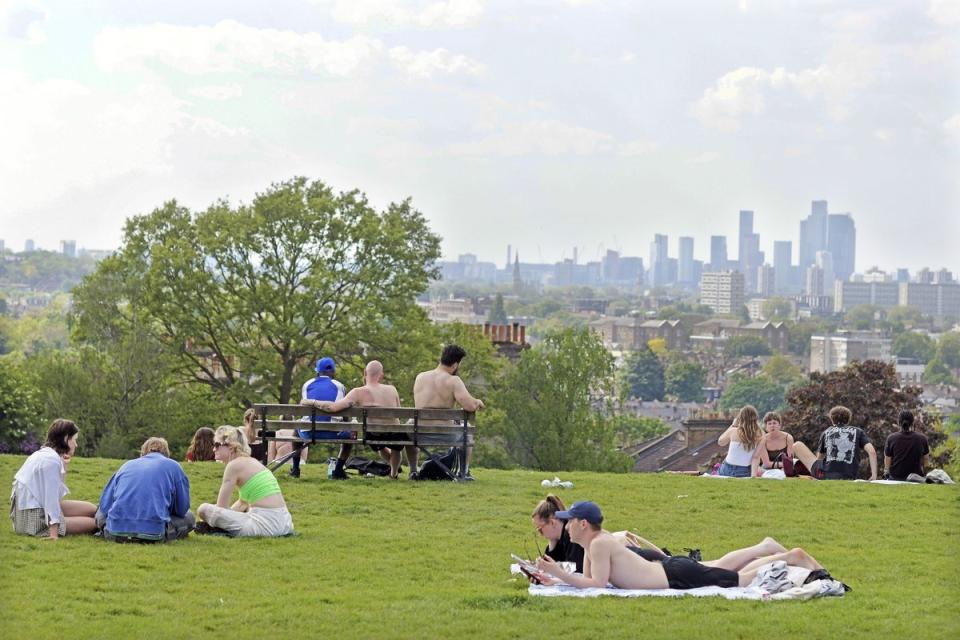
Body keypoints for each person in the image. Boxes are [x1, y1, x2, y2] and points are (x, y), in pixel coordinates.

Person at [535, 501, 825, 590]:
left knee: (744, 580)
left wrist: (560, 576)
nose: (566, 526)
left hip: (676, 576)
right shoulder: (594, 543)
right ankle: (766, 547)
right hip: (672, 570)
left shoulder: (598, 544)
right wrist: (554, 578)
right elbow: (589, 580)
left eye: (569, 521)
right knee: (721, 566)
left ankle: (790, 557)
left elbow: (597, 584)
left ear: (583, 524)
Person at [531, 495, 786, 574]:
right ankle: (762, 553)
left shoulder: (576, 537)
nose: (539, 533)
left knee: (719, 568)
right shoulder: (567, 537)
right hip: (648, 562)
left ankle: (762, 550)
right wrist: (552, 545)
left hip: (649, 560)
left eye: (540, 528)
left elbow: (579, 571)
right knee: (717, 567)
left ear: (554, 521)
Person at [304, 360, 412, 479]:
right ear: (382, 375)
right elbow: (398, 411)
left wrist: (311, 402)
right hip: (394, 433)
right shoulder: (392, 389)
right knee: (396, 446)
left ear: (365, 372)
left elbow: (333, 407)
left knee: (380, 445)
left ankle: (393, 470)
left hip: (373, 434)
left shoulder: (358, 392)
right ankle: (393, 473)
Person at [196, 426, 293, 537]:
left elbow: (221, 507)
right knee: (241, 508)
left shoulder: (233, 466)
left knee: (203, 509)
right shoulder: (254, 462)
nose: (214, 449)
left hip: (265, 526)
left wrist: (214, 518)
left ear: (231, 447)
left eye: (217, 445)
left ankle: (220, 530)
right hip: (285, 523)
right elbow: (242, 504)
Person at [10, 419, 97, 540]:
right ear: (66, 438)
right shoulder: (50, 461)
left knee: (94, 510)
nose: (76, 445)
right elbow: (50, 500)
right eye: (74, 440)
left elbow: (57, 497)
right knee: (94, 523)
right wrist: (54, 534)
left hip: (31, 513)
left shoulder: (45, 455)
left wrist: (64, 467)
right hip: (35, 521)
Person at [96, 437, 194, 543]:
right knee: (190, 517)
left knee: (100, 511)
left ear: (143, 453)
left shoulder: (126, 465)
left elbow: (105, 506)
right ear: (166, 454)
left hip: (114, 532)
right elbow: (182, 510)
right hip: (154, 533)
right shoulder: (174, 466)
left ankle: (106, 528)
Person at [413, 344, 484, 480]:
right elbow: (470, 405)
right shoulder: (453, 381)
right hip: (446, 434)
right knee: (467, 432)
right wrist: (478, 402)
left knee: (410, 424)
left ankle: (412, 470)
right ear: (455, 364)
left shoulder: (420, 377)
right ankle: (465, 472)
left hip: (419, 433)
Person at [290, 356, 351, 479]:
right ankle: (338, 470)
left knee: (296, 432)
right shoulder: (340, 386)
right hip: (334, 432)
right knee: (349, 436)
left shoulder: (307, 385)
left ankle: (295, 469)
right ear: (333, 371)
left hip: (308, 433)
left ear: (317, 371)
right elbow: (344, 414)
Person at [792, 406, 878, 480]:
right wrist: (874, 475)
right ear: (848, 420)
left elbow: (819, 458)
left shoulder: (827, 432)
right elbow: (872, 452)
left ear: (832, 420)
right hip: (849, 475)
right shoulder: (858, 431)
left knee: (797, 445)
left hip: (825, 474)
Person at [717, 406, 763, 478]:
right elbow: (756, 457)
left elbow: (720, 442)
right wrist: (753, 476)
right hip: (744, 470)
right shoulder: (761, 435)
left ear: (740, 418)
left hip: (726, 469)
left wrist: (733, 425)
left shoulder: (733, 431)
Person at [884, 410, 929, 481]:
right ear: (912, 422)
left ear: (899, 422)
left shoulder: (891, 438)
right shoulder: (922, 439)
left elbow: (887, 460)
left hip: (895, 478)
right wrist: (926, 476)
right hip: (916, 478)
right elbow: (926, 461)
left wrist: (886, 473)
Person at [754, 411, 796, 475]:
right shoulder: (762, 439)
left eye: (774, 423)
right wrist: (783, 464)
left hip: (784, 467)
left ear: (779, 425)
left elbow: (790, 461)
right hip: (767, 468)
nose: (772, 426)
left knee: (789, 470)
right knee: (757, 470)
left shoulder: (788, 438)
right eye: (769, 423)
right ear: (766, 426)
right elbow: (766, 463)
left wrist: (786, 466)